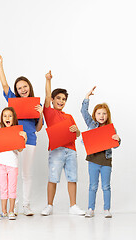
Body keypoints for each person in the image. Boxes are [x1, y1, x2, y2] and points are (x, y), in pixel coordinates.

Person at [0, 55, 44, 216]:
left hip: (29, 140)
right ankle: (13, 206)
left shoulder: (36, 104)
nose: (23, 89)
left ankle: (26, 205)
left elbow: (38, 128)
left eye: (25, 87)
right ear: (16, 91)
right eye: (19, 88)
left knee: (26, 174)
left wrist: (41, 113)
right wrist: (0, 66)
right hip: (12, 141)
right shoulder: (13, 100)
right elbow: (4, 84)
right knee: (12, 174)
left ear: (29, 87)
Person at [41, 71, 85, 216]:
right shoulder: (49, 112)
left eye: (64, 99)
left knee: (72, 178)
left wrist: (77, 130)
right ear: (53, 100)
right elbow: (47, 96)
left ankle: (73, 205)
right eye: (58, 98)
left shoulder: (69, 116)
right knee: (53, 178)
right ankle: (49, 205)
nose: (61, 101)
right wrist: (48, 81)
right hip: (56, 150)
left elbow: (77, 134)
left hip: (71, 150)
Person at [81, 86, 121, 218]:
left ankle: (106, 209)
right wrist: (87, 97)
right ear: (95, 115)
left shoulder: (111, 128)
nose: (101, 116)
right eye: (99, 113)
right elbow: (83, 111)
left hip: (106, 161)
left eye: (104, 113)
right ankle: (90, 209)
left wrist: (118, 139)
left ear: (107, 115)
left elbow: (115, 145)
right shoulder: (92, 124)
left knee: (106, 186)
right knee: (92, 186)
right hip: (93, 161)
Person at [0, 91, 27, 220]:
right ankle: (3, 211)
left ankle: (11, 211)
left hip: (12, 164)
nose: (7, 118)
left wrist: (24, 138)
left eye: (10, 116)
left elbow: (20, 150)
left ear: (13, 118)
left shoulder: (18, 131)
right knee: (3, 188)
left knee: (12, 188)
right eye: (5, 116)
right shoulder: (0, 128)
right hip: (1, 164)